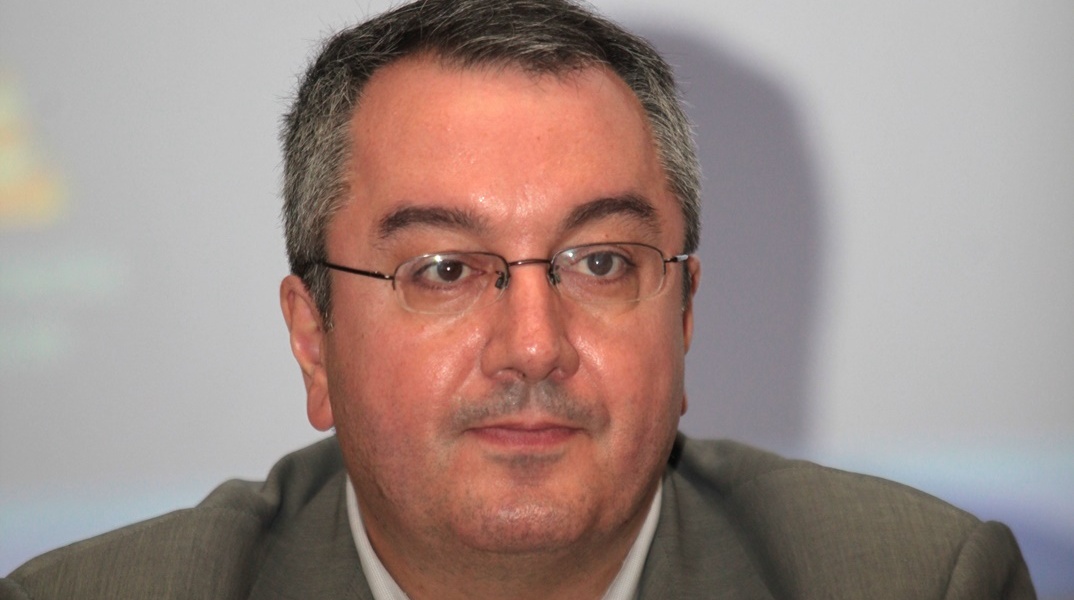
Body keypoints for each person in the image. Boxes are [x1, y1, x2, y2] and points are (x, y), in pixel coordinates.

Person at [1, 1, 1036, 598]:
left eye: (601, 263)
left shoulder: (916, 582)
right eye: (444, 271)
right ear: (314, 340)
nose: (534, 347)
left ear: (683, 316)